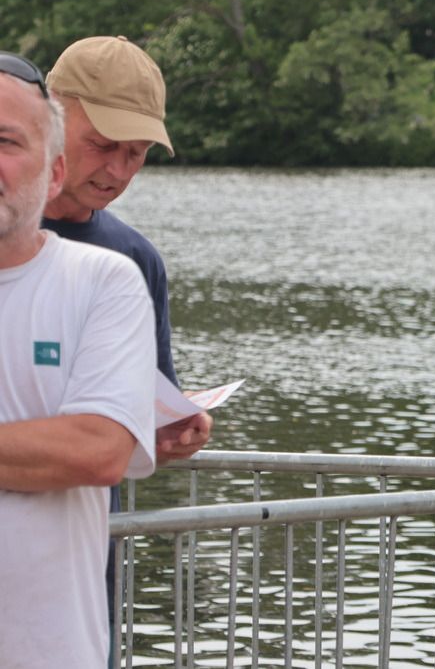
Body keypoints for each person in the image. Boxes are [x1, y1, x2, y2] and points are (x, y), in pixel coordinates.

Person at [42, 35, 213, 654]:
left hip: (86, 567)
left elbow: (139, 418)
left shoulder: (136, 259)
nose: (117, 171)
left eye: (135, 153)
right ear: (51, 115)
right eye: (102, 145)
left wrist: (172, 433)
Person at [0, 51, 156, 668]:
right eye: (105, 145)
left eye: (7, 142)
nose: (117, 170)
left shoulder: (114, 273)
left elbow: (99, 448)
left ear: (52, 166)